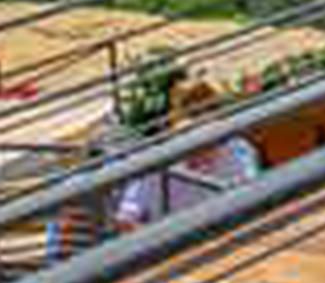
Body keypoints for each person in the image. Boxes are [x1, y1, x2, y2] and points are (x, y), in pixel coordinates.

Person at [111, 76, 260, 232]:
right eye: (194, 113)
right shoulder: (158, 160)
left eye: (209, 110)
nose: (202, 119)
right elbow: (125, 218)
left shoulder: (238, 150)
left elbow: (250, 203)